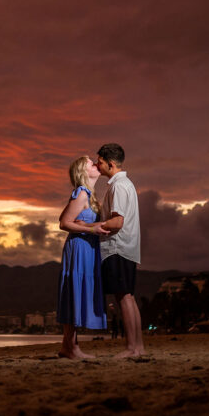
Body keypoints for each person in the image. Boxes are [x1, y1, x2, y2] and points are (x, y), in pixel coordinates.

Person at [56, 155, 108, 359]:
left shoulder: (88, 195)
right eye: (90, 163)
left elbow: (65, 218)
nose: (95, 164)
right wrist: (91, 229)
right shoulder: (81, 194)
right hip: (79, 247)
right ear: (83, 172)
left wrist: (88, 226)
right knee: (74, 293)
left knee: (76, 293)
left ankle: (67, 347)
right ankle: (72, 348)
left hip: (87, 247)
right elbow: (64, 223)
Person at [96, 142, 144, 358]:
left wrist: (93, 227)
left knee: (123, 298)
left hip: (118, 247)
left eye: (100, 162)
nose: (97, 166)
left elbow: (117, 222)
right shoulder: (125, 184)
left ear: (110, 163)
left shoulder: (119, 186)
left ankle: (132, 347)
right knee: (128, 297)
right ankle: (138, 346)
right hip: (127, 248)